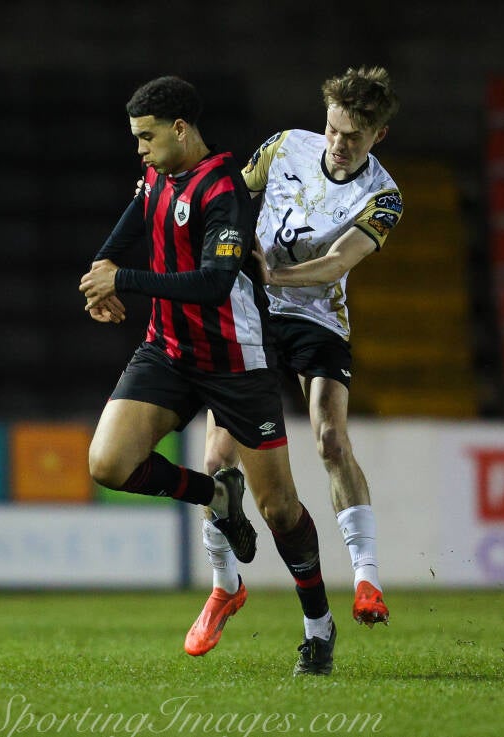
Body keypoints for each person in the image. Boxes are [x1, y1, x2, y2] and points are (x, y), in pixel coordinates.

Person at [79, 75, 336, 675]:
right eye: (134, 138)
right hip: (166, 352)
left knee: (279, 511)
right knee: (107, 464)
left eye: (146, 137)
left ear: (180, 129)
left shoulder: (223, 191)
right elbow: (124, 235)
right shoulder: (156, 177)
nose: (139, 148)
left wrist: (125, 281)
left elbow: (212, 284)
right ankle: (216, 493)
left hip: (233, 362)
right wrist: (102, 275)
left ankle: (318, 626)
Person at [185, 65, 402, 659]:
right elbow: (231, 188)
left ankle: (367, 579)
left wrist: (274, 273)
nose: (338, 142)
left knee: (331, 439)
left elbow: (336, 264)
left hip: (317, 316)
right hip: (251, 308)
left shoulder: (383, 197)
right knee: (215, 459)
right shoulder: (286, 145)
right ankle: (223, 586)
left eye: (353, 136)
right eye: (332, 128)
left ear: (377, 137)